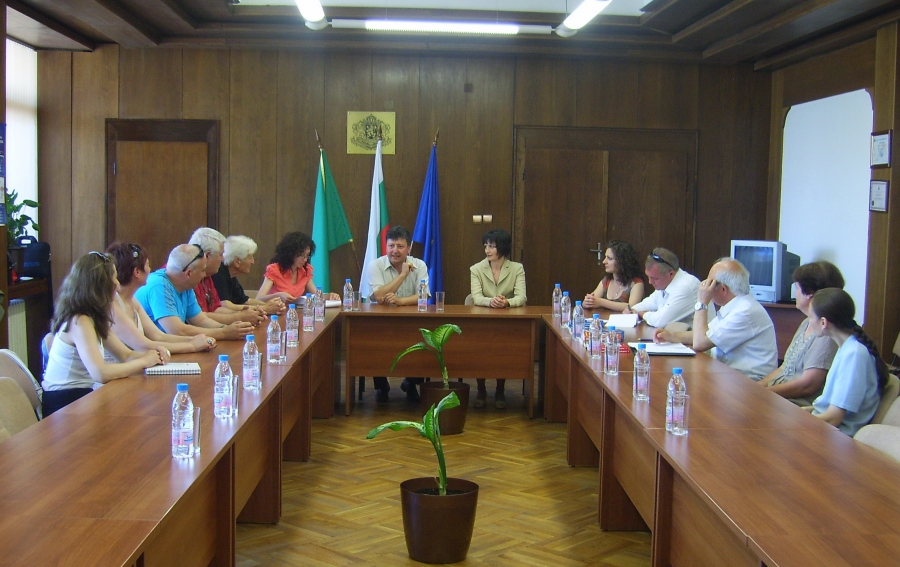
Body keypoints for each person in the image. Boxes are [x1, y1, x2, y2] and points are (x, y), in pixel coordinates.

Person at [42, 252, 164, 415]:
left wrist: (154, 356)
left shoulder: (93, 316)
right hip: (65, 404)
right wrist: (144, 361)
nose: (117, 285)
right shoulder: (80, 321)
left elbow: (125, 355)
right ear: (101, 286)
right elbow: (100, 373)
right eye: (114, 279)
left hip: (82, 396)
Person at [654, 258, 777, 381]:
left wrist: (702, 303)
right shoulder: (736, 305)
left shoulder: (745, 311)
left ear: (723, 289)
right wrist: (670, 336)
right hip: (729, 374)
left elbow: (699, 343)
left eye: (709, 284)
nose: (704, 287)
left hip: (749, 381)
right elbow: (706, 334)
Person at [106, 241, 217, 356]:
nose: (150, 269)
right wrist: (192, 346)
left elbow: (158, 336)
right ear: (137, 272)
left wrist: (195, 339)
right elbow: (144, 345)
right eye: (147, 265)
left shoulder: (132, 300)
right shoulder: (113, 303)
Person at [759, 262, 844, 406]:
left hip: (797, 404)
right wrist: (756, 388)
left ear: (809, 293)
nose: (795, 293)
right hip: (778, 396)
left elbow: (808, 385)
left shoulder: (826, 332)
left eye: (797, 288)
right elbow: (784, 368)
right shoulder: (807, 322)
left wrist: (762, 394)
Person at [808, 288, 888, 436]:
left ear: (823, 322)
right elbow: (826, 408)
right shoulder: (846, 347)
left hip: (837, 436)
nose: (809, 322)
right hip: (825, 427)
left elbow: (834, 418)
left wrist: (797, 422)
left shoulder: (854, 353)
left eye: (811, 317)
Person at [135, 244, 253, 341]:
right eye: (202, 271)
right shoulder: (159, 285)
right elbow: (177, 330)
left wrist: (230, 328)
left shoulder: (185, 284)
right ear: (189, 273)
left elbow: (200, 320)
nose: (204, 275)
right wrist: (223, 333)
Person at [367, 225, 429, 402]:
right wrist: (402, 275)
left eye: (400, 246)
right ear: (386, 247)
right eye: (391, 246)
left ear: (409, 248)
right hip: (381, 323)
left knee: (422, 341)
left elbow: (423, 297)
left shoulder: (420, 265)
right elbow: (379, 296)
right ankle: (381, 386)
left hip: (412, 322)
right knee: (372, 342)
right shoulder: (376, 265)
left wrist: (400, 301)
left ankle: (411, 383)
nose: (395, 250)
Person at [470, 228, 526, 409]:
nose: (487, 250)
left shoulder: (517, 268)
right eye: (486, 245)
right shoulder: (476, 269)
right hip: (482, 320)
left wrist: (507, 302)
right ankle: (481, 389)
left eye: (492, 246)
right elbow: (476, 297)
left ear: (502, 247)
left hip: (506, 320)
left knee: (502, 350)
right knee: (479, 351)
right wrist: (491, 301)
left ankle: (500, 389)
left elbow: (522, 297)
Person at [189, 227, 266, 326]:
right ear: (207, 255)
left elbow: (217, 309)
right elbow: (199, 318)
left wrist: (246, 314)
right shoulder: (192, 278)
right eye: (221, 254)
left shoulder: (207, 277)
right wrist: (239, 318)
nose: (223, 259)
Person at [624, 248, 700, 328]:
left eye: (654, 278)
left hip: (693, 335)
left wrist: (642, 314)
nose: (650, 282)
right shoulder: (665, 283)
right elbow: (650, 302)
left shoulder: (686, 286)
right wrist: (633, 310)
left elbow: (660, 321)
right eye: (648, 277)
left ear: (671, 274)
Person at [257, 231, 340, 304]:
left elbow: (316, 295)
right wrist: (279, 295)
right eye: (301, 255)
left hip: (295, 313)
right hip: (276, 313)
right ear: (290, 253)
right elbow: (259, 299)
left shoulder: (305, 270)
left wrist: (329, 295)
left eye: (307, 256)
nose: (305, 259)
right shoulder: (274, 270)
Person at [212, 235, 286, 315]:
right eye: (250, 257)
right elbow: (226, 305)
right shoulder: (219, 273)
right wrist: (265, 308)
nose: (253, 262)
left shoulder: (231, 275)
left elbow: (245, 301)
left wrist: (272, 305)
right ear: (237, 262)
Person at [583, 240, 644, 311]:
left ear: (622, 261)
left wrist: (601, 302)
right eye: (605, 257)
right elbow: (592, 300)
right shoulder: (606, 281)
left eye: (609, 258)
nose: (604, 261)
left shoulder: (636, 283)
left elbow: (632, 306)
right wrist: (587, 302)